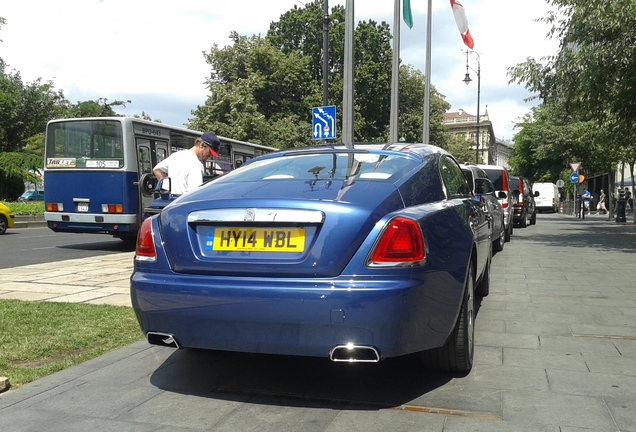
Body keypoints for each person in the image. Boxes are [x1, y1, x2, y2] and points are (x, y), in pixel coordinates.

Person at [153, 132, 220, 195]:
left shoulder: (176, 156)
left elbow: (157, 170)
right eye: (210, 152)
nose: (211, 155)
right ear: (201, 145)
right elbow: (194, 194)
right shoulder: (196, 164)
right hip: (185, 204)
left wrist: (166, 190)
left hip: (172, 203)